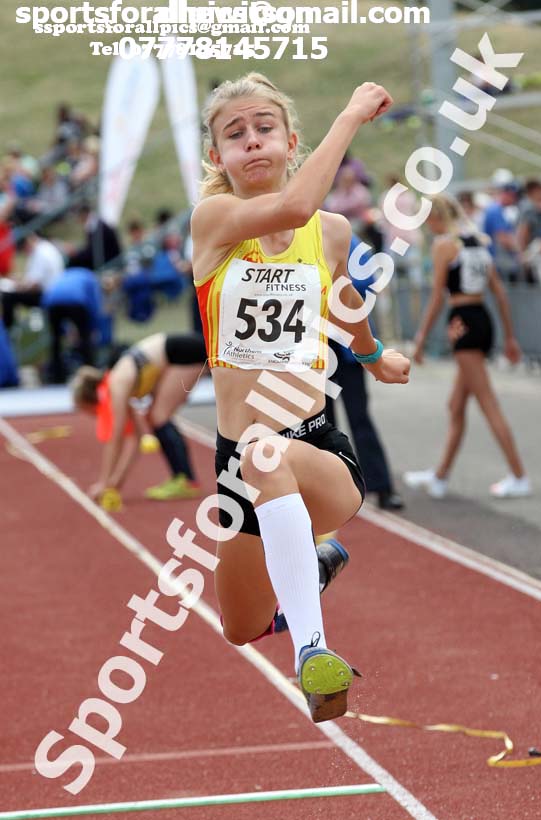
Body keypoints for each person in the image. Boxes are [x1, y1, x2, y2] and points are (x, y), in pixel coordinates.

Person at [191, 73, 409, 723]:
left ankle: (313, 654)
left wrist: (372, 355)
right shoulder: (215, 224)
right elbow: (290, 209)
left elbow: (343, 304)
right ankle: (313, 564)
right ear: (216, 158)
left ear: (291, 143)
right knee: (238, 625)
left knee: (266, 452)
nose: (251, 143)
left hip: (318, 453)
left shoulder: (333, 232)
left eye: (263, 130)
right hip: (240, 462)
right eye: (235, 135)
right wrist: (350, 113)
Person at [403, 194, 530, 500]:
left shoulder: (444, 245)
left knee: (487, 403)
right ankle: (440, 476)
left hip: (463, 321)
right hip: (482, 318)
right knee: (456, 406)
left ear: (435, 218)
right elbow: (498, 293)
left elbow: (436, 297)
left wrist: (420, 339)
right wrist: (510, 337)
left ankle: (519, 475)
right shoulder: (478, 241)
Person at [72, 333, 208, 503]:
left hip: (185, 353)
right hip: (179, 352)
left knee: (159, 416)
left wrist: (104, 483)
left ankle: (187, 481)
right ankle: (181, 478)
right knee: (153, 416)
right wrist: (114, 483)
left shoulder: (116, 386)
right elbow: (135, 439)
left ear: (90, 401)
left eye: (88, 411)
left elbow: (116, 438)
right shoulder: (118, 385)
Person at [326, 235, 404, 511]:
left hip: (347, 345)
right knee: (321, 423)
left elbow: (367, 279)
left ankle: (382, 486)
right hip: (314, 347)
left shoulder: (339, 232)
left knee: (359, 417)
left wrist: (333, 286)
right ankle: (331, 493)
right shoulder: (289, 232)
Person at [42, 266, 102, 383]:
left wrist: (64, 331)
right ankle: (90, 375)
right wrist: (94, 328)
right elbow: (93, 304)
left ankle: (57, 376)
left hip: (51, 303)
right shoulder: (90, 276)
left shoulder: (64, 274)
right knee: (85, 339)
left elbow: (50, 294)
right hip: (76, 302)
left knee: (56, 341)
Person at [1, 233, 64, 330]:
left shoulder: (40, 253)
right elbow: (34, 279)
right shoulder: (45, 247)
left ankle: (6, 330)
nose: (25, 252)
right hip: (54, 291)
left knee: (8, 296)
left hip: (48, 295)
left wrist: (16, 286)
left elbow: (34, 285)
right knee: (11, 294)